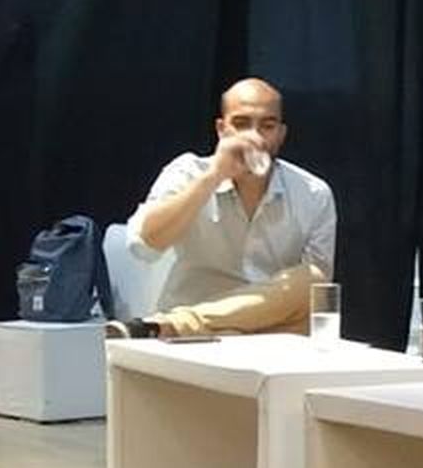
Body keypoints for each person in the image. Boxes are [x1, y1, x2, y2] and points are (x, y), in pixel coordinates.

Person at [109, 77, 336, 338]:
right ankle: (196, 326)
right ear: (221, 129)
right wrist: (213, 176)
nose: (254, 136)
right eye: (241, 124)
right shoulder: (187, 172)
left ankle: (178, 323)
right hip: (196, 340)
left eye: (267, 126)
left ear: (281, 134)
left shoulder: (313, 193)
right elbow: (144, 246)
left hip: (267, 334)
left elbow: (316, 294)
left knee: (314, 280)